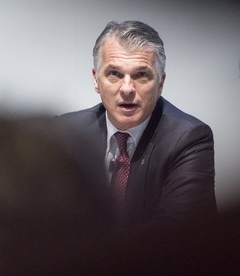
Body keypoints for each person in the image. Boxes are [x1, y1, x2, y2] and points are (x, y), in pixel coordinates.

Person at [59, 20, 216, 229]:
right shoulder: (66, 133)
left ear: (160, 83)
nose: (127, 89)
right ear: (96, 79)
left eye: (141, 75)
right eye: (114, 74)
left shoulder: (189, 139)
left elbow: (180, 230)